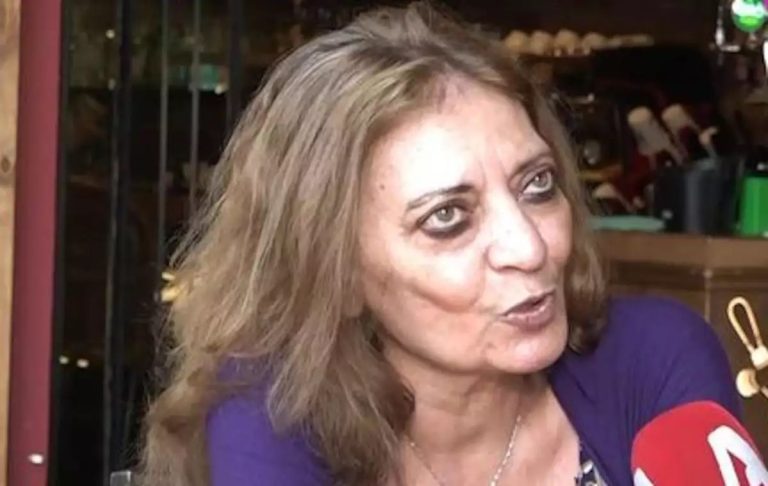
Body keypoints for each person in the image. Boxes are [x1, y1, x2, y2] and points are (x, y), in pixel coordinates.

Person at [140, 3, 741, 485]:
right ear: (338, 274)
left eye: (537, 184)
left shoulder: (653, 358)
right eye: (448, 217)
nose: (529, 248)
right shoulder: (273, 411)